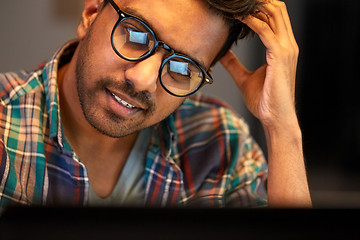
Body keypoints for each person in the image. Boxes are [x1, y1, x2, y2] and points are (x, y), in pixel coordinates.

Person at [0, 0, 311, 209]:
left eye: (182, 68)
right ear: (92, 12)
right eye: (135, 34)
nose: (144, 79)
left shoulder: (220, 146)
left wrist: (282, 127)